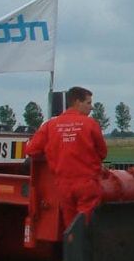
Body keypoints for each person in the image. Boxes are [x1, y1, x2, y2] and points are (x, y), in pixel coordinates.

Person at [25, 86, 108, 228]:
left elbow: (31, 150)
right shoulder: (90, 124)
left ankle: (71, 241)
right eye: (88, 103)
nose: (91, 107)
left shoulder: (50, 125)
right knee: (86, 224)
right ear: (77, 102)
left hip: (63, 185)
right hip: (86, 183)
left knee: (70, 225)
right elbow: (102, 152)